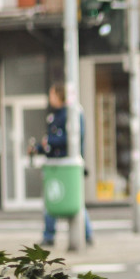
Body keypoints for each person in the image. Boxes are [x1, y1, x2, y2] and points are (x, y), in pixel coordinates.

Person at [31, 83, 93, 247]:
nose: (50, 99)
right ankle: (81, 234)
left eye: (52, 95)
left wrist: (48, 142)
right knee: (60, 199)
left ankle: (80, 234)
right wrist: (39, 147)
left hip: (65, 166)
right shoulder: (56, 115)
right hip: (58, 165)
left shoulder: (71, 113)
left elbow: (71, 138)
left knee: (61, 199)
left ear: (60, 96)